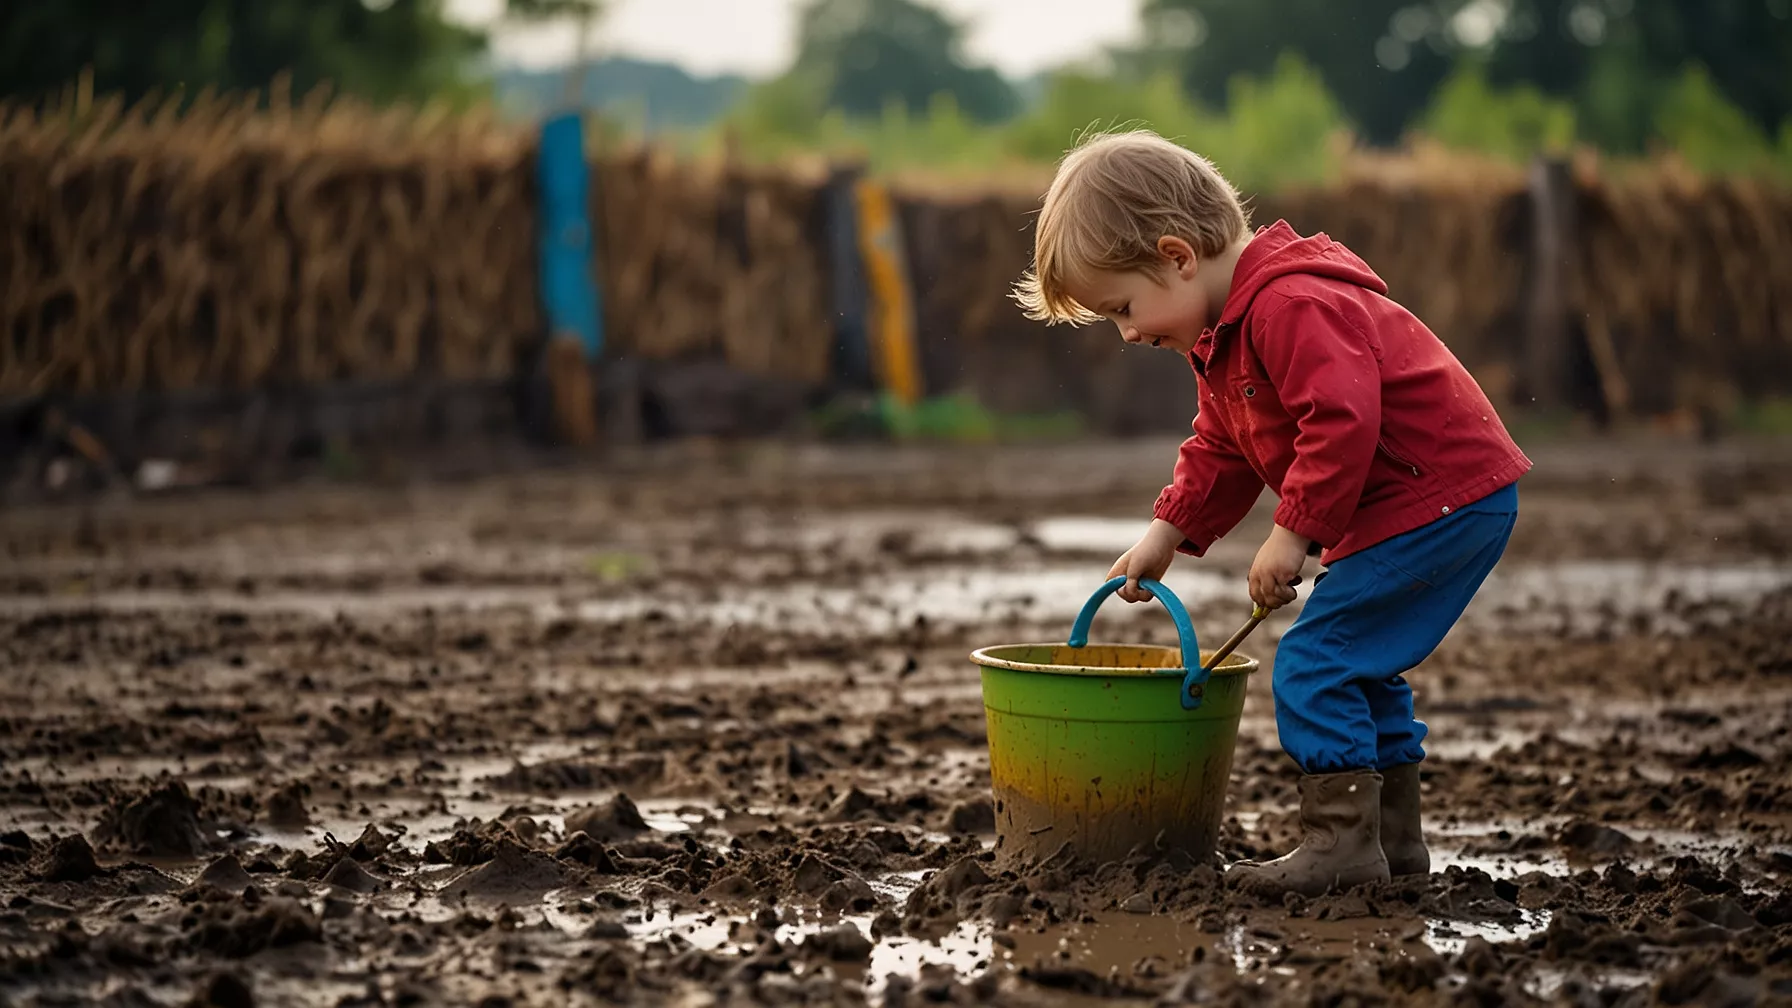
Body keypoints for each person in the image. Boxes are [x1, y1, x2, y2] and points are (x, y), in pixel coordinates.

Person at [1012, 130, 1531, 898]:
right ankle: (1392, 844)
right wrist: (1168, 531)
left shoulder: (1291, 305)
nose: (1127, 333)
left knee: (1317, 661)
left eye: (1124, 307)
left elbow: (1341, 419)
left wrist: (1293, 532)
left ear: (1178, 255)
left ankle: (1342, 847)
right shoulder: (1226, 338)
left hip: (1437, 497)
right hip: (1423, 501)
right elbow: (1221, 444)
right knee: (1361, 665)